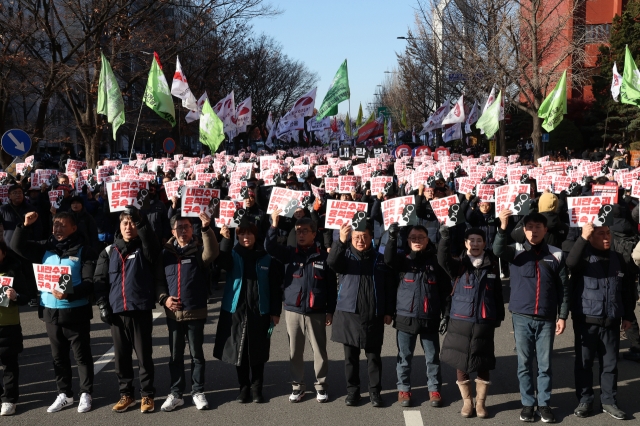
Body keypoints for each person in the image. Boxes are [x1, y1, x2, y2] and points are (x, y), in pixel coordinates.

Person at [11, 211, 97, 414]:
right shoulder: (44, 248)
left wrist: (70, 294)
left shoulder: (84, 251)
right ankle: (64, 394)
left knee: (81, 356)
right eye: (55, 225)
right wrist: (24, 225)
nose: (57, 229)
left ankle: (86, 393)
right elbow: (17, 247)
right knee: (58, 357)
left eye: (62, 225)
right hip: (50, 312)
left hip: (76, 312)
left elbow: (90, 282)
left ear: (74, 228)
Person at [493, 210, 569, 423]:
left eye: (538, 227)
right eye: (529, 227)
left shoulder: (556, 254)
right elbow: (497, 249)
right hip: (521, 316)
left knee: (545, 365)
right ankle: (528, 403)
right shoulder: (515, 250)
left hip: (546, 317)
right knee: (524, 364)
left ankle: (544, 404)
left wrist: (562, 315)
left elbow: (564, 288)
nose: (533, 231)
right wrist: (502, 227)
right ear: (524, 230)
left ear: (545, 230)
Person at [93, 206, 160, 413]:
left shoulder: (145, 247)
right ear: (119, 227)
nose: (129, 227)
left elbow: (153, 246)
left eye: (132, 223)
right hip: (116, 312)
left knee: (144, 357)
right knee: (121, 358)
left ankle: (147, 395)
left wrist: (141, 221)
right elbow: (100, 281)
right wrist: (103, 305)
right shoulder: (108, 251)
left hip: (139, 309)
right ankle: (126, 394)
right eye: (125, 223)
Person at [265, 210, 336, 403]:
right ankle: (298, 387)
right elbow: (269, 247)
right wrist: (274, 224)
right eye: (298, 231)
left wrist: (330, 310)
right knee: (295, 351)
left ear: (314, 234)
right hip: (293, 310)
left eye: (305, 231)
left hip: (317, 311)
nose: (301, 234)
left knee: (319, 351)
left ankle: (321, 386)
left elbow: (331, 286)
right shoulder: (288, 254)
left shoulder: (323, 257)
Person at [566, 224, 636, 420]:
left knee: (610, 365)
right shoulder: (583, 256)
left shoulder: (619, 259)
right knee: (584, 363)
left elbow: (627, 290)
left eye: (608, 233)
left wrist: (628, 315)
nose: (606, 237)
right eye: (600, 234)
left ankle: (609, 401)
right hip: (586, 321)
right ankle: (585, 400)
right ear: (591, 236)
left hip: (611, 321)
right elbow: (570, 263)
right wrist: (582, 238)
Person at [438, 226, 504, 418]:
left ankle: (481, 403)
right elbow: (442, 259)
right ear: (466, 243)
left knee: (483, 362)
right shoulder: (458, 264)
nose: (475, 244)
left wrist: (498, 316)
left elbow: (498, 294)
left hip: (485, 320)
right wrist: (444, 238)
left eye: (479, 240)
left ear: (484, 243)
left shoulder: (492, 264)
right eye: (471, 240)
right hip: (460, 319)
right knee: (461, 362)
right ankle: (467, 402)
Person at [213, 221, 282, 404]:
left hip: (260, 311)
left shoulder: (266, 257)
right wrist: (225, 240)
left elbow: (275, 288)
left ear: (255, 235)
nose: (246, 237)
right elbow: (221, 261)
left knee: (258, 352)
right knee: (240, 351)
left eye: (249, 234)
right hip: (236, 310)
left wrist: (275, 312)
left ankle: (257, 389)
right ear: (237, 236)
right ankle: (243, 388)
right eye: (242, 234)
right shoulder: (233, 254)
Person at [327, 222, 395, 408]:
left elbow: (389, 287)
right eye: (356, 236)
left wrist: (389, 311)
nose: (360, 240)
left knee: (374, 357)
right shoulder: (344, 255)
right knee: (350, 358)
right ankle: (353, 392)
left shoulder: (379, 259)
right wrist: (341, 241)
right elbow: (332, 263)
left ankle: (375, 392)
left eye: (364, 236)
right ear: (351, 237)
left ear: (371, 237)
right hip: (349, 315)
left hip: (373, 315)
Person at [156, 213, 219, 412]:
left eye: (187, 227)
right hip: (173, 315)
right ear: (173, 231)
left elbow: (212, 253)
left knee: (197, 355)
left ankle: (198, 391)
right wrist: (164, 298)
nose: (183, 231)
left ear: (192, 229)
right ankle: (176, 394)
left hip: (195, 311)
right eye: (179, 227)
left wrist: (207, 229)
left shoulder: (199, 249)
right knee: (175, 356)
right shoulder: (165, 253)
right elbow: (158, 281)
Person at [384, 222, 450, 408]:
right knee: (404, 357)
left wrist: (446, 314)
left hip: (430, 318)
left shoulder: (436, 261)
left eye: (421, 237)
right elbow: (388, 260)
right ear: (408, 240)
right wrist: (391, 238)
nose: (417, 241)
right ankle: (404, 389)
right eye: (413, 238)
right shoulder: (402, 259)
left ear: (428, 239)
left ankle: (434, 390)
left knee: (432, 358)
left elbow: (445, 290)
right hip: (405, 318)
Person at [0, 241, 35, 416]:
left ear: (3, 253)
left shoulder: (13, 270)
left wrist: (16, 296)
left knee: (9, 364)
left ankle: (9, 399)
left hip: (8, 325)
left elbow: (26, 296)